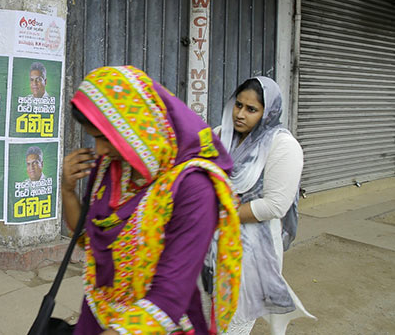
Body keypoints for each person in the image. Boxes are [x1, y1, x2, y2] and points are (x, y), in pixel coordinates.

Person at [62, 66, 242, 334]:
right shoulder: (109, 166)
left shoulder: (194, 188)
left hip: (156, 324)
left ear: (135, 125)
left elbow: (169, 296)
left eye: (104, 137)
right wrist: (67, 190)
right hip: (99, 312)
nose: (98, 148)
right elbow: (87, 241)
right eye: (95, 137)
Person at [211, 76, 315, 334]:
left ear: (269, 112)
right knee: (212, 314)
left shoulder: (283, 145)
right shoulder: (219, 135)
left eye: (251, 109)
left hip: (253, 251)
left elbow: (274, 206)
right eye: (238, 105)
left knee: (235, 321)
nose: (240, 114)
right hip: (213, 245)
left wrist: (223, 212)